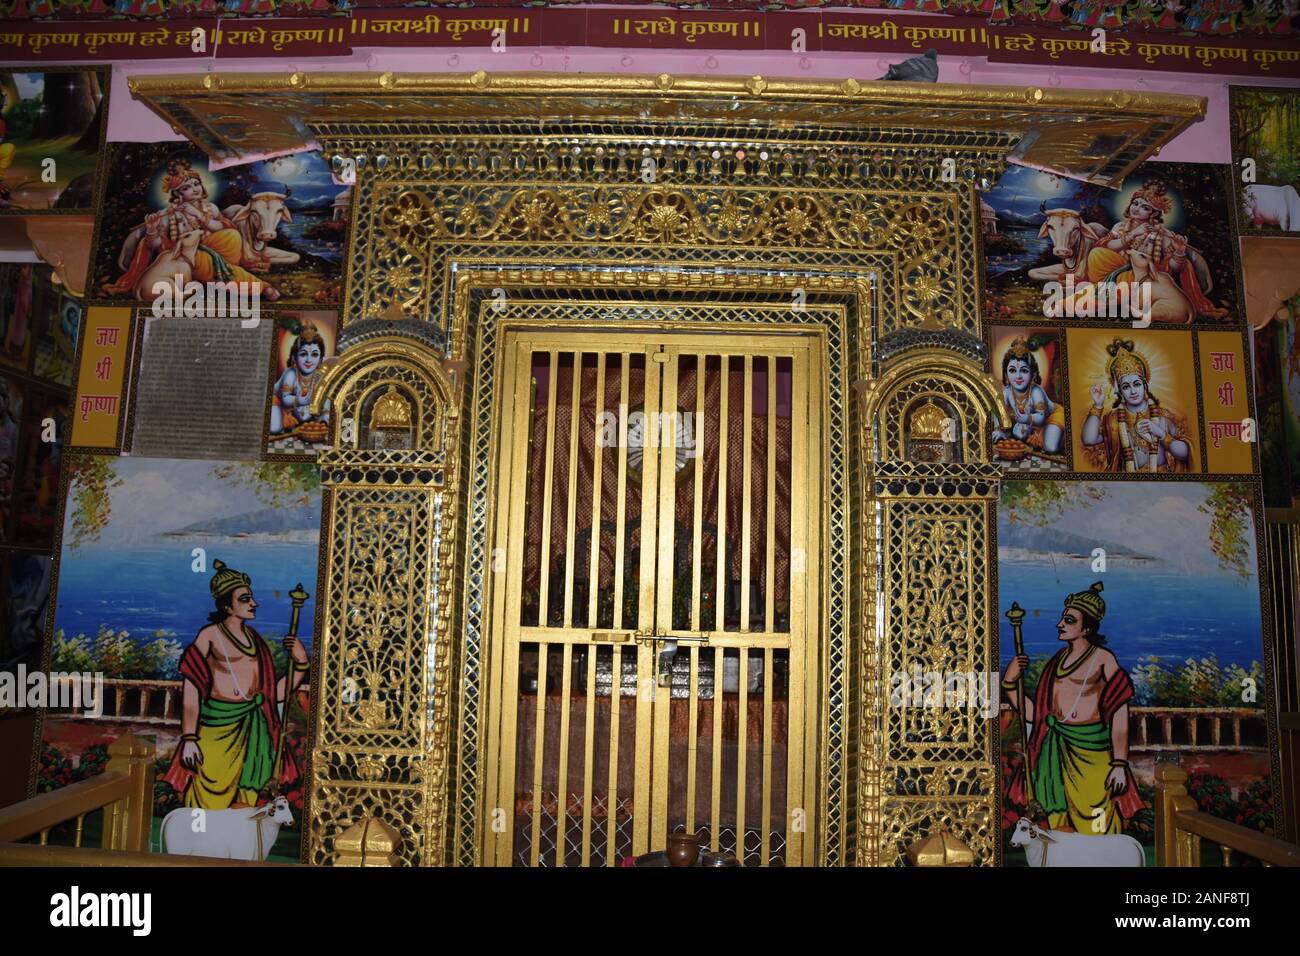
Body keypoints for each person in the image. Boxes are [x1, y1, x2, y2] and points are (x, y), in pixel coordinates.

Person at [162, 559, 307, 808]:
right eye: (244, 599)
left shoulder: (256, 641)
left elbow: (274, 695)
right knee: (205, 802)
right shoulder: (209, 636)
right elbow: (192, 689)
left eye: (251, 598)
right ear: (227, 606)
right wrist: (188, 737)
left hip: (252, 731)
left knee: (245, 807)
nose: (254, 603)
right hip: (215, 731)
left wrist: (301, 663)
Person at [1002, 582, 1143, 834]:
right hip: (1055, 752)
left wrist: (1120, 763)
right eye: (1062, 618)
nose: (1060, 624)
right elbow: (1038, 716)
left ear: (1086, 627)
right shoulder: (1056, 662)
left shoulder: (1103, 659)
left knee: (1099, 826)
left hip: (1093, 753)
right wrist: (1011, 682)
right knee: (1059, 828)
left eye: (1068, 620)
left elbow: (1119, 711)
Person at [104, 158, 280, 301]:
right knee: (209, 262)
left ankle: (219, 271)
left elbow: (221, 227)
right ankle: (261, 287)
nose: (194, 189)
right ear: (178, 194)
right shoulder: (168, 215)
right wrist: (151, 229)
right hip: (187, 256)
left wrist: (198, 214)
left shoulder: (210, 207)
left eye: (196, 184)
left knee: (232, 235)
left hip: (213, 251)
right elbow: (156, 245)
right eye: (186, 188)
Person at [1080, 337, 1193, 472]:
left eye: (1137, 384)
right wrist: (1098, 405)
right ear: (1120, 391)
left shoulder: (1163, 416)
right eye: (1126, 387)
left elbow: (1185, 453)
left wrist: (1161, 434)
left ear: (1145, 386)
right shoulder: (1113, 420)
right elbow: (1088, 439)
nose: (1133, 391)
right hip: (1128, 487)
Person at [992, 338, 1064, 455]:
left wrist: (1026, 419)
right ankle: (1041, 435)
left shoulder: (1036, 391)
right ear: (1006, 374)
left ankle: (1061, 435)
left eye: (1024, 371)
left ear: (1033, 374)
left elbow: (1041, 417)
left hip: (1051, 416)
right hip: (1030, 423)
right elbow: (998, 411)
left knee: (1050, 448)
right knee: (1018, 434)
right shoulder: (1006, 392)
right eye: (1012, 370)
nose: (1018, 376)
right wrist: (999, 430)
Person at [269, 322, 330, 436]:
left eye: (315, 354)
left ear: (321, 359)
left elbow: (326, 400)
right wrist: (305, 400)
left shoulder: (319, 377)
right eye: (303, 354)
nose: (308, 360)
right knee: (275, 428)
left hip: (302, 411)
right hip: (280, 405)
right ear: (294, 357)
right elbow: (285, 399)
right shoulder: (291, 373)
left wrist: (324, 420)